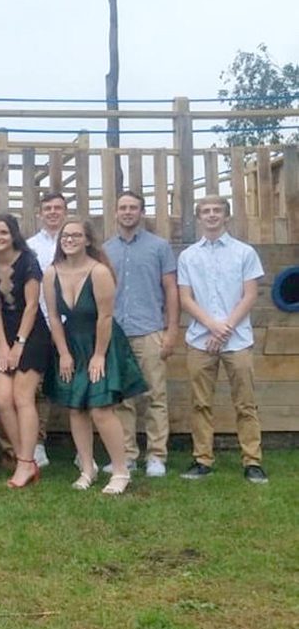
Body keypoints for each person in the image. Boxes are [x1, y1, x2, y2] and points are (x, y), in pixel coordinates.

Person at [42, 218, 147, 495]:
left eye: (76, 235)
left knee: (101, 410)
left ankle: (121, 471)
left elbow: (105, 317)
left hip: (102, 343)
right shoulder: (51, 273)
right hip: (70, 344)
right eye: (66, 236)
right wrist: (63, 353)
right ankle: (87, 468)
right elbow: (53, 317)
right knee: (76, 409)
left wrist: (99, 356)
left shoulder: (99, 272)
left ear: (88, 240)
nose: (70, 240)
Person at [177, 195, 268, 484]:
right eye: (206, 211)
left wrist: (225, 328)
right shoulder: (188, 256)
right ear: (199, 217)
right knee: (200, 403)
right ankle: (202, 459)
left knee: (246, 403)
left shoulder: (244, 252)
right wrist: (211, 326)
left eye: (217, 211)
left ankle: (252, 461)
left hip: (237, 340)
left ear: (226, 216)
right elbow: (185, 298)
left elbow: (250, 294)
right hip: (200, 340)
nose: (212, 215)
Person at [103, 191, 179, 477]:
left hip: (150, 330)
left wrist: (172, 330)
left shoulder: (159, 247)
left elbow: (171, 288)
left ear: (141, 212)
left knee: (155, 395)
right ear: (115, 212)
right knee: (122, 398)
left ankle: (157, 456)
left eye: (133, 207)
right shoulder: (106, 249)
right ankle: (127, 455)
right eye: (122, 207)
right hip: (117, 333)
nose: (127, 212)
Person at [0, 214, 51, 489]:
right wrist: (2, 345)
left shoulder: (28, 261)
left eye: (3, 232)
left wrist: (19, 344)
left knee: (23, 398)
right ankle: (25, 459)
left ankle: (25, 462)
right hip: (5, 334)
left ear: (13, 234)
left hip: (32, 335)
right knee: (1, 399)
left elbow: (33, 305)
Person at [25, 191, 68, 469]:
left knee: (77, 384)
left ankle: (81, 445)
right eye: (48, 208)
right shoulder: (30, 247)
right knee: (37, 388)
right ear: (40, 213)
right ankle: (38, 444)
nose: (53, 212)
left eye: (58, 208)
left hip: (72, 322)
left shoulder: (76, 242)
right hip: (39, 322)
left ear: (65, 211)